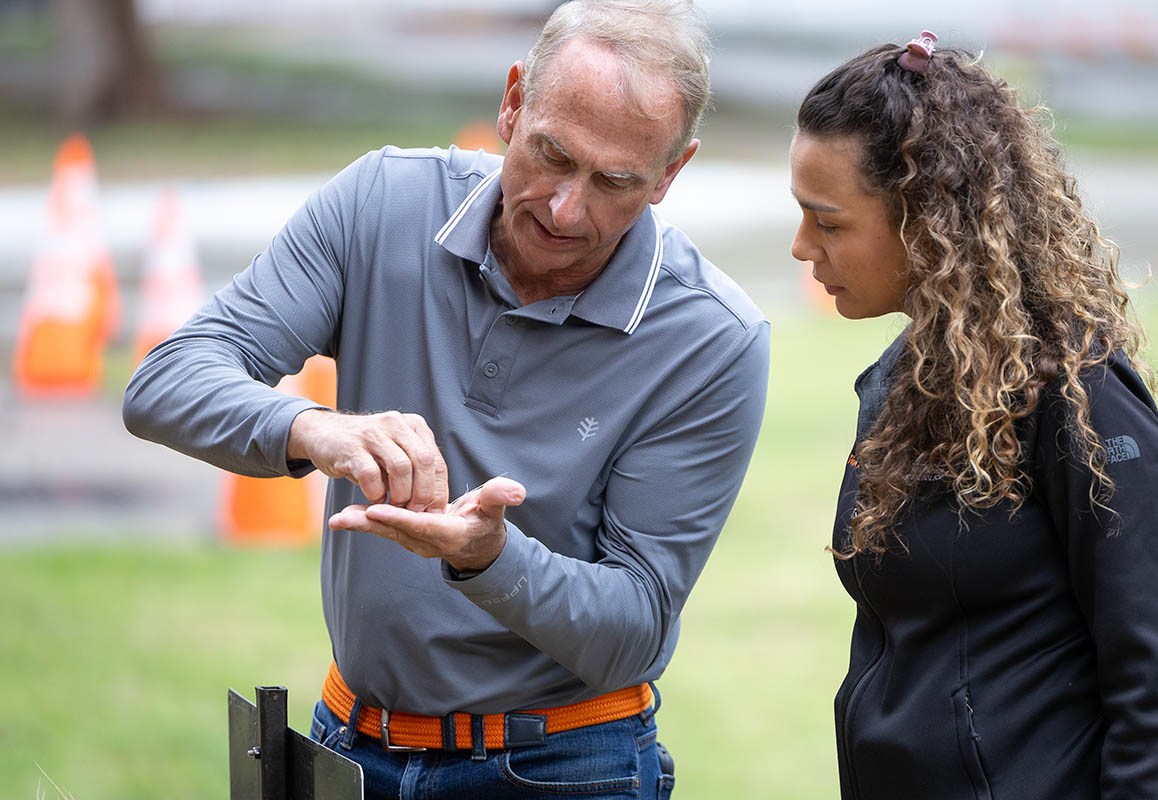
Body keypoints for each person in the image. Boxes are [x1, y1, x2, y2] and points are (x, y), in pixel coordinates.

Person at [123, 1, 769, 797]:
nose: (567, 208)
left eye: (614, 182)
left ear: (672, 173)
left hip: (561, 766)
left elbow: (633, 633)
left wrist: (490, 557)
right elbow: (166, 380)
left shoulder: (711, 337)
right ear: (511, 103)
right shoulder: (384, 203)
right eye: (552, 155)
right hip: (349, 738)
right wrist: (312, 427)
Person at [789, 32, 1158, 799]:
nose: (801, 247)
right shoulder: (896, 381)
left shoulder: (1079, 394)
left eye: (829, 222)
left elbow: (1156, 689)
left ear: (927, 216)